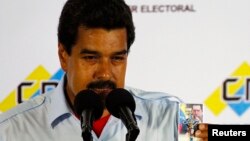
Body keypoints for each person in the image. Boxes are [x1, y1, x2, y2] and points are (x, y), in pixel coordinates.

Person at [0, 0, 208, 141]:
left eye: (117, 58)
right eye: (91, 58)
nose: (105, 74)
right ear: (64, 55)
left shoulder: (178, 113)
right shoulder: (8, 130)